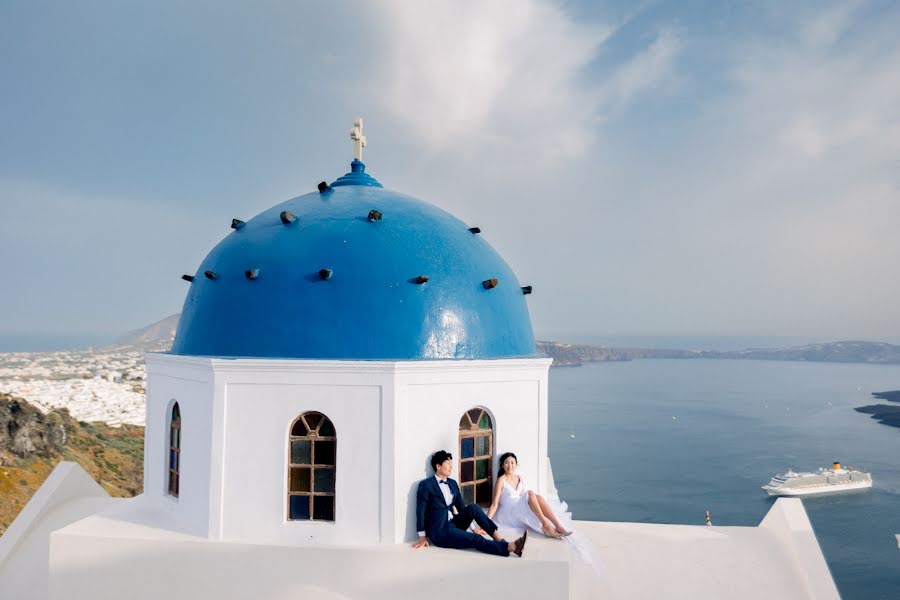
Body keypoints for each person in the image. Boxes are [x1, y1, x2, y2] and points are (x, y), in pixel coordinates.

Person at [411, 450, 526, 557]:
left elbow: (461, 507)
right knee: (475, 539)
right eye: (447, 464)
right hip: (440, 531)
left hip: (454, 524)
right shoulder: (426, 485)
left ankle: (500, 539)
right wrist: (422, 536)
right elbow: (420, 512)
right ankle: (511, 547)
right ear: (438, 466)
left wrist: (472, 528)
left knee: (473, 508)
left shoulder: (452, 483)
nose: (451, 466)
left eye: (451, 463)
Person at [487, 452, 573, 538]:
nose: (510, 466)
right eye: (507, 463)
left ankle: (558, 526)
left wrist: (530, 500)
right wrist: (485, 524)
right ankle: (545, 525)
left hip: (518, 507)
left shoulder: (519, 477)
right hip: (509, 512)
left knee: (538, 497)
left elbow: (522, 495)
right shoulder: (501, 480)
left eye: (512, 463)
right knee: (530, 493)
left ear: (516, 464)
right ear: (502, 465)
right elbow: (494, 504)